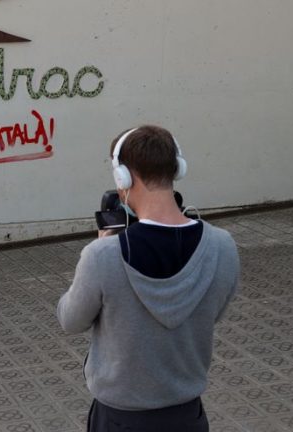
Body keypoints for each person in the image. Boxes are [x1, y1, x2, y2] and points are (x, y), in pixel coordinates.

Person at [56, 125, 240, 432]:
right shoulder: (222, 246)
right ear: (177, 168)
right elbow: (212, 313)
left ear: (123, 178)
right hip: (187, 417)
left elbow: (70, 320)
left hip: (120, 419)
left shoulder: (103, 255)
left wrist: (98, 252)